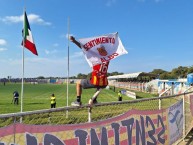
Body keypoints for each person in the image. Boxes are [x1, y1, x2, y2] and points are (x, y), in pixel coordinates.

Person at [70, 36, 109, 106]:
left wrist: (74, 41)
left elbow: (84, 48)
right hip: (104, 83)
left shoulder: (96, 57)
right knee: (99, 86)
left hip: (95, 81)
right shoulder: (108, 59)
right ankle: (94, 99)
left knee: (78, 83)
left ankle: (78, 101)